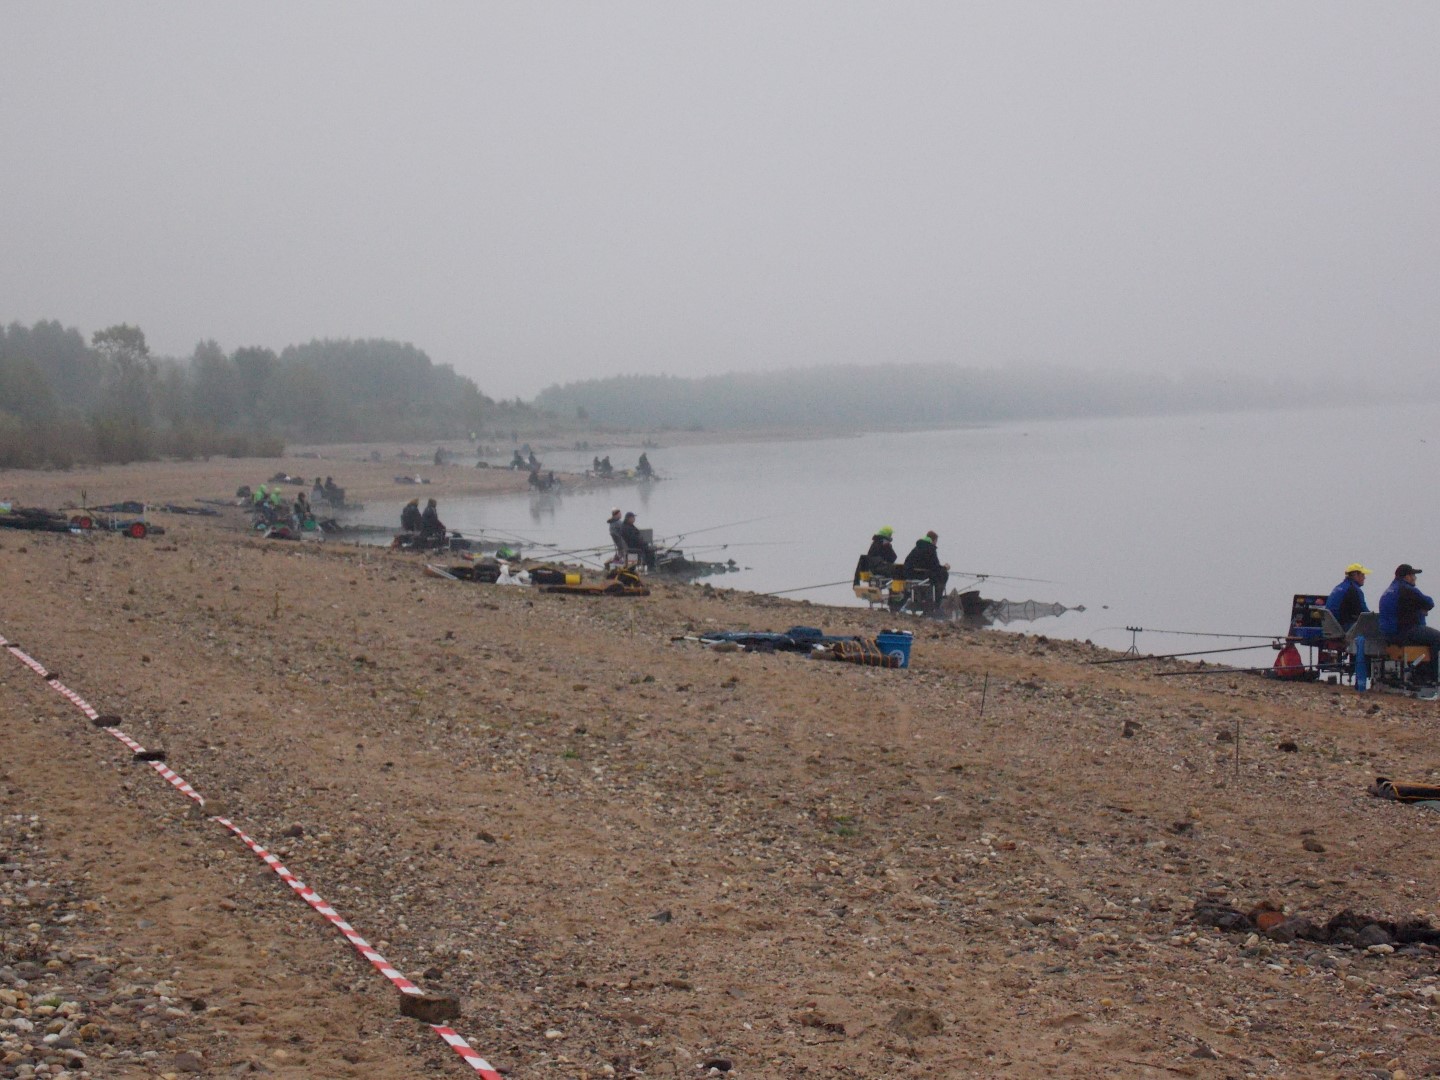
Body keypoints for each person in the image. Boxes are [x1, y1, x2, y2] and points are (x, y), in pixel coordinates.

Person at [1379, 563, 1440, 684]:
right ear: (1406, 576)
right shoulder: (1406, 589)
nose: (1415, 578)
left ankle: (1419, 673)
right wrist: (1421, 608)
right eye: (1413, 575)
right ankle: (1431, 677)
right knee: (1437, 638)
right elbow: (1429, 603)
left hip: (1390, 634)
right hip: (1405, 632)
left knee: (1426, 638)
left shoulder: (1389, 591)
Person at [902, 530, 950, 598]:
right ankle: (937, 598)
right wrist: (945, 568)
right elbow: (935, 567)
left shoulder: (917, 548)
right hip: (921, 575)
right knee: (943, 574)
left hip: (909, 574)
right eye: (936, 541)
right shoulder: (930, 549)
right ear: (934, 540)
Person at [1324, 562, 1371, 631]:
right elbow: (1364, 613)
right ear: (1355, 575)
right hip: (1344, 626)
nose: (1364, 578)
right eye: (1362, 575)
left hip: (1332, 626)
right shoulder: (1354, 589)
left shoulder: (1339, 587)